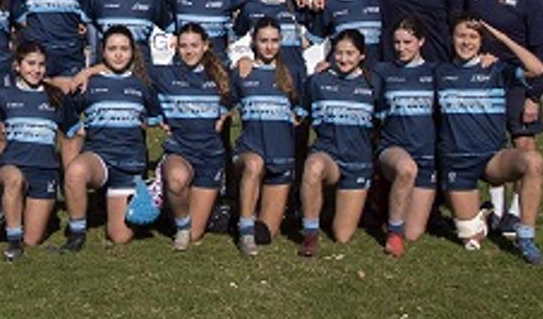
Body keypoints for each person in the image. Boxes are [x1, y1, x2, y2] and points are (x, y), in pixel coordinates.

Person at [436, 15, 543, 264]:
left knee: (533, 161)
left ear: (482, 41)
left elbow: (538, 69)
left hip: (492, 158)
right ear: (451, 39)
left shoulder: (496, 69)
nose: (466, 42)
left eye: (473, 37)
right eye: (461, 36)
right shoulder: (440, 72)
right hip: (457, 164)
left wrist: (502, 38)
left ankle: (525, 236)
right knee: (471, 241)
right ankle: (484, 215)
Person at [467, 0, 543, 236]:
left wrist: (535, 95)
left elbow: (542, 49)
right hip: (487, 81)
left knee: (524, 145)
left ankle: (516, 213)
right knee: (492, 145)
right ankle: (497, 210)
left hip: (519, 82)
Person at [58, 26, 163, 252]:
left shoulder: (142, 85)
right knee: (75, 171)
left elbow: (156, 116)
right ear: (102, 52)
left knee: (119, 237)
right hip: (99, 158)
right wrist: (78, 128)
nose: (118, 54)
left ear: (133, 52)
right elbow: (67, 110)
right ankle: (76, 232)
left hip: (128, 164)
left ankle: (147, 191)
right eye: (112, 48)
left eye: (124, 48)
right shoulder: (90, 83)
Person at [298, 30, 379, 257]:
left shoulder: (373, 84)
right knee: (313, 166)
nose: (343, 59)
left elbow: (381, 124)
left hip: (358, 163)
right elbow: (298, 119)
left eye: (350, 54)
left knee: (342, 236)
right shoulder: (317, 82)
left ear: (362, 55)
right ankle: (310, 233)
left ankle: (330, 207)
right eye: (339, 53)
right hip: (328, 155)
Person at [151, 23, 232, 250]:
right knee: (177, 180)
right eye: (184, 46)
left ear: (205, 46)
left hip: (210, 156)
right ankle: (174, 205)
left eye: (195, 46)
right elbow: (133, 75)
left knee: (196, 235)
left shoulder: (220, 75)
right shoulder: (164, 74)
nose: (189, 51)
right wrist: (155, 117)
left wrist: (224, 114)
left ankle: (168, 207)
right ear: (176, 47)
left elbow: (239, 94)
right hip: (180, 150)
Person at [0, 41, 74, 260]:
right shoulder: (3, 95)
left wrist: (70, 172)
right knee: (14, 179)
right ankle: (13, 241)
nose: (36, 70)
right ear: (17, 65)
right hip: (13, 166)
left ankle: (6, 213)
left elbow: (75, 132)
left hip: (45, 171)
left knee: (33, 239)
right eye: (30, 63)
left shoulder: (56, 96)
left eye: (41, 65)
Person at [231, 17, 304, 257]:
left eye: (274, 41)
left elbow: (307, 105)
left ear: (282, 42)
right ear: (253, 41)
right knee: (254, 164)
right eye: (264, 41)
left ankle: (246, 214)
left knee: (265, 235)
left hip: (281, 158)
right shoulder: (243, 72)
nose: (269, 46)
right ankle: (244, 227)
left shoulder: (291, 73)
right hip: (250, 151)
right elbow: (222, 106)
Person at [375, 17, 438, 257]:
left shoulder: (434, 72)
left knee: (413, 233)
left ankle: (393, 219)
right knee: (406, 169)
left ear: (421, 41)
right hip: (393, 148)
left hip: (426, 155)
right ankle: (393, 234)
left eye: (408, 42)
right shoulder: (384, 71)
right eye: (397, 42)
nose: (401, 48)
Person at [233, 0, 311, 81]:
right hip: (263, 77)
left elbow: (319, 27)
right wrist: (243, 58)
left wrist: (302, 44)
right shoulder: (251, 7)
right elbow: (234, 37)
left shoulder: (296, 3)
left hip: (294, 75)